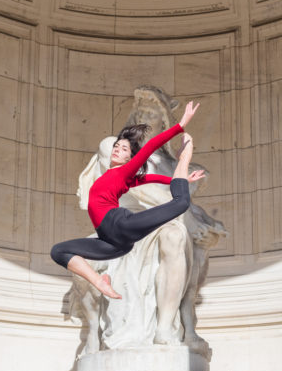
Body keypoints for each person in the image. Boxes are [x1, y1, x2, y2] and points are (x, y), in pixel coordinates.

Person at [51, 101, 203, 299]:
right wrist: (177, 179)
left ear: (128, 159)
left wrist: (181, 125)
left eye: (123, 149)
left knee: (181, 203)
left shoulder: (125, 171)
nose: (117, 149)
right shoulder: (122, 178)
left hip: (119, 224)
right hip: (112, 242)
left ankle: (185, 157)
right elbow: (152, 178)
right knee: (58, 252)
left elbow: (150, 146)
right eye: (116, 146)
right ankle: (100, 282)